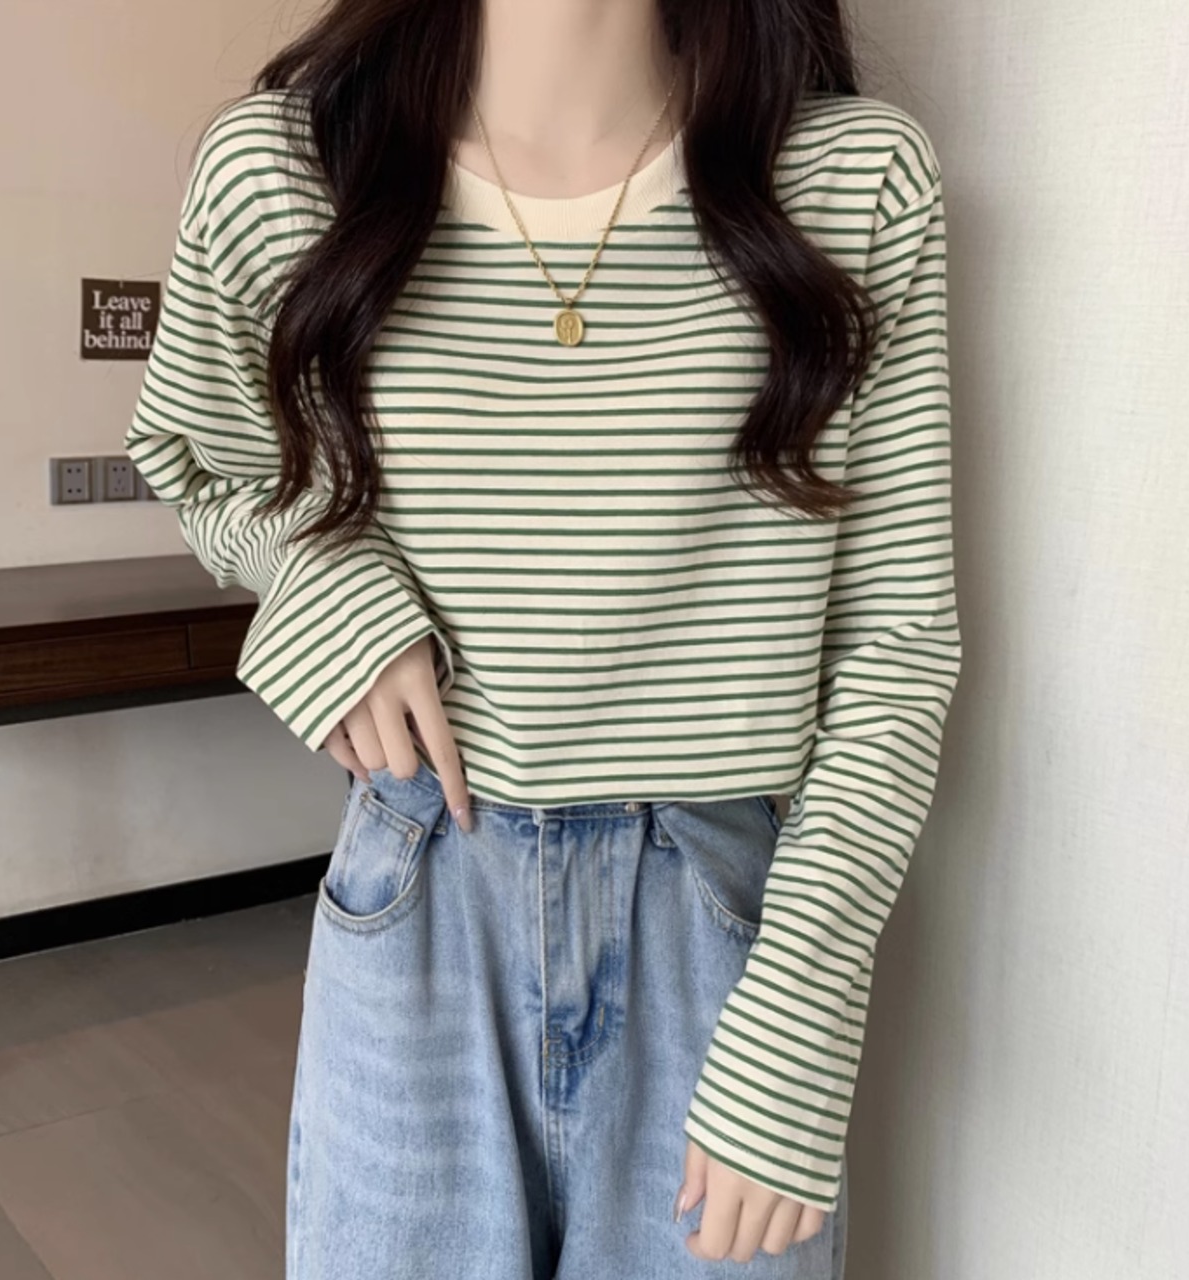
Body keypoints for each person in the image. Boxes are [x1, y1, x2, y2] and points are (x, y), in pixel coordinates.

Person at [125, 1, 960, 1275]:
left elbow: (891, 643)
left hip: (723, 926)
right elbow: (196, 456)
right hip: (421, 888)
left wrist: (802, 1006)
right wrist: (323, 581)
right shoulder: (284, 169)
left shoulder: (853, 181)